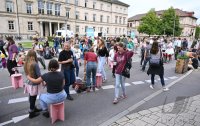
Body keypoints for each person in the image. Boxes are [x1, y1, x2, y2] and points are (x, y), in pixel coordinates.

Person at [24, 50, 42, 119]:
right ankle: (31, 112)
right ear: (35, 56)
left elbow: (26, 74)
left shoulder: (26, 63)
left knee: (31, 96)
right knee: (33, 98)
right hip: (34, 83)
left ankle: (34, 108)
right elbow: (39, 75)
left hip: (28, 82)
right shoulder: (35, 64)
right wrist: (43, 81)